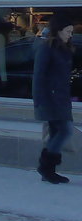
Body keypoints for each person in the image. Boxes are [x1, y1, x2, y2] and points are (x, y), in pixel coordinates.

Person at [33, 14, 75, 183]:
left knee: (57, 132)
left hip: (62, 98)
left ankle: (48, 171)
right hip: (50, 99)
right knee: (66, 130)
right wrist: (40, 101)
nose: (70, 34)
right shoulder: (46, 48)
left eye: (71, 31)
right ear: (58, 30)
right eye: (68, 31)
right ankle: (45, 167)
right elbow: (38, 76)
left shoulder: (65, 49)